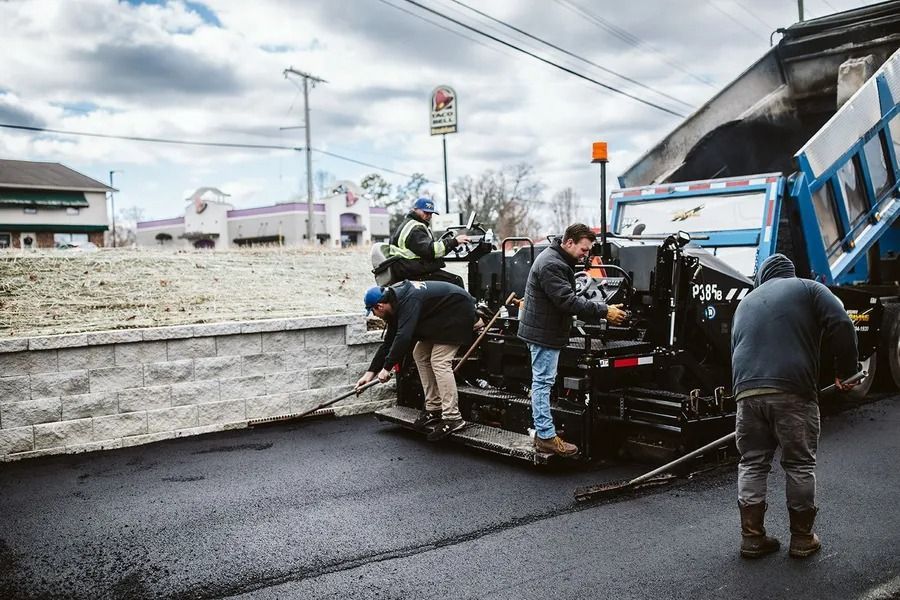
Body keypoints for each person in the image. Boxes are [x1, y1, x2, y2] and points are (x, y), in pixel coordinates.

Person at [731, 253, 858, 559]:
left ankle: (752, 538)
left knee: (752, 463)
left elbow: (734, 348)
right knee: (799, 464)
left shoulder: (745, 302)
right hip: (792, 390)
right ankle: (802, 539)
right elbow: (841, 322)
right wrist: (847, 370)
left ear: (764, 277)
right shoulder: (809, 288)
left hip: (746, 392)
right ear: (791, 272)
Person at [517, 223, 628, 457]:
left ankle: (543, 432)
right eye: (584, 250)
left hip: (545, 330)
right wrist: (604, 310)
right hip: (543, 333)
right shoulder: (552, 264)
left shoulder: (556, 259)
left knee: (543, 381)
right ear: (569, 243)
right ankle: (546, 436)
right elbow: (567, 301)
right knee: (543, 382)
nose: (585, 255)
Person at [355, 279, 477, 441]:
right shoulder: (393, 303)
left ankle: (452, 417)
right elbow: (389, 342)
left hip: (458, 310)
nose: (374, 315)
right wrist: (369, 373)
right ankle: (434, 408)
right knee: (420, 353)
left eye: (373, 312)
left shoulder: (407, 301)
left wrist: (387, 368)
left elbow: (403, 337)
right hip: (439, 315)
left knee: (439, 361)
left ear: (379, 306)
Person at [387, 197, 469, 288]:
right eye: (426, 212)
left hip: (406, 268)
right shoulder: (415, 228)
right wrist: (454, 242)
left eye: (431, 213)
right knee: (456, 281)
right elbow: (431, 251)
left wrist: (447, 244)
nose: (429, 216)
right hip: (413, 273)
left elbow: (424, 248)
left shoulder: (408, 224)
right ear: (415, 210)